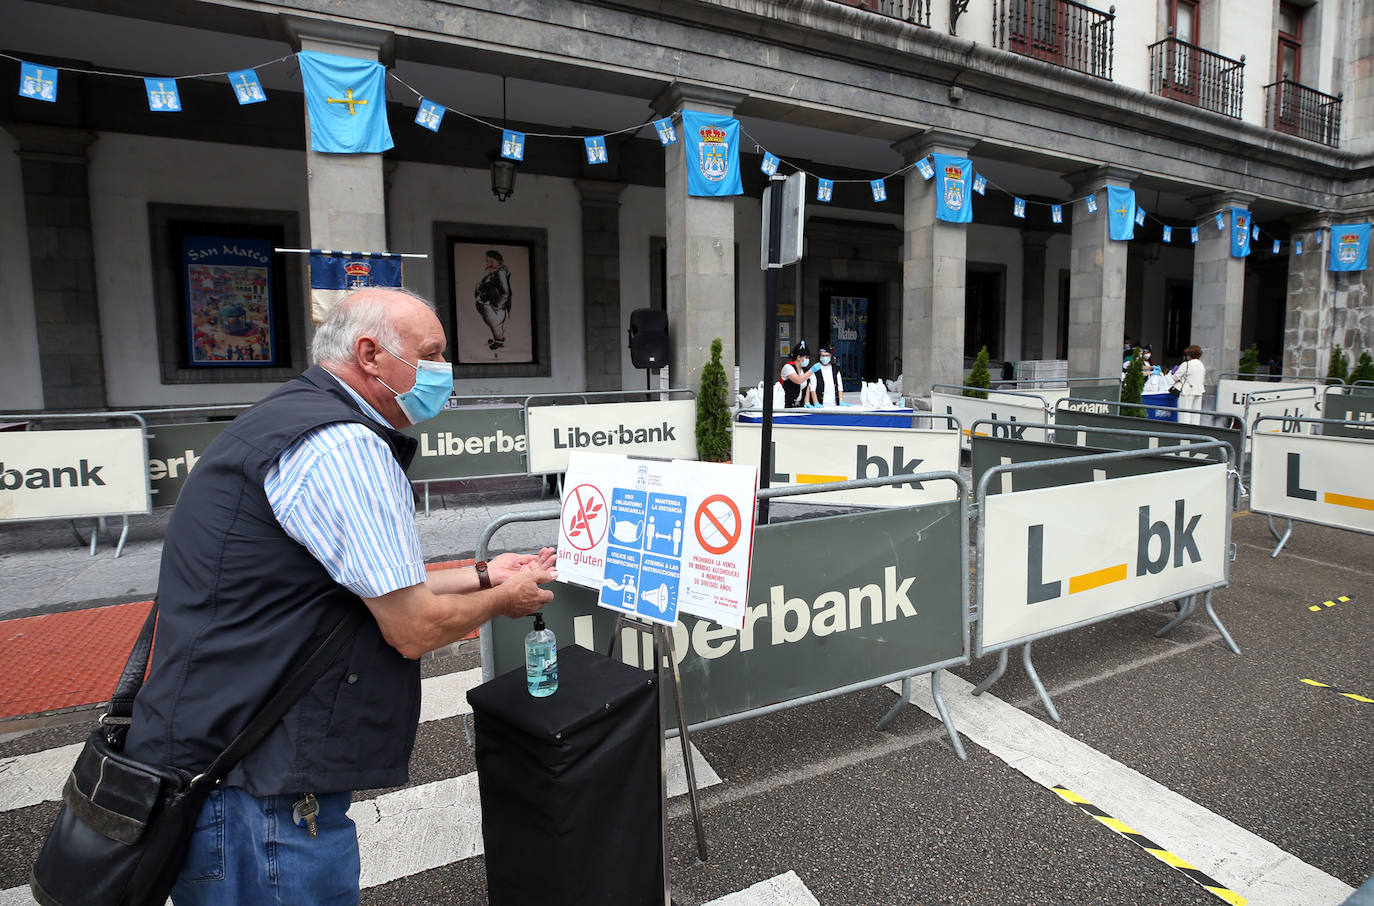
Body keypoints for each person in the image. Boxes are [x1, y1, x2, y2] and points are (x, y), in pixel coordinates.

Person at [122, 286, 558, 905]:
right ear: (371, 354)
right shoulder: (343, 445)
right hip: (260, 782)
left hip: (221, 753)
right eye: (431, 354)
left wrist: (485, 573)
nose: (444, 371)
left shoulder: (291, 415)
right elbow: (411, 624)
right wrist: (504, 600)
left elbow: (356, 583)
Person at [474, 249, 513, 350]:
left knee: (496, 326)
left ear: (499, 262)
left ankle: (498, 341)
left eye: (491, 261)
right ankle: (497, 340)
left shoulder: (500, 273)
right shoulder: (493, 273)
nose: (488, 264)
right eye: (487, 261)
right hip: (488, 306)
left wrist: (496, 306)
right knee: (495, 327)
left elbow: (505, 293)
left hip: (494, 308)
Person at [1175, 344, 1207, 425]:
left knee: (1184, 414)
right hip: (1199, 390)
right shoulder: (1201, 364)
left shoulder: (1186, 364)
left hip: (1187, 391)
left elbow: (1175, 377)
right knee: (1196, 414)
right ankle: (1194, 432)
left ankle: (1184, 432)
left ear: (1189, 354)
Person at [779, 341, 811, 408]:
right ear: (799, 357)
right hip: (786, 405)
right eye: (806, 357)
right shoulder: (788, 367)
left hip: (800, 406)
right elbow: (798, 380)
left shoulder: (804, 370)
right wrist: (812, 370)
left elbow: (807, 386)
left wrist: (807, 402)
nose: (808, 360)